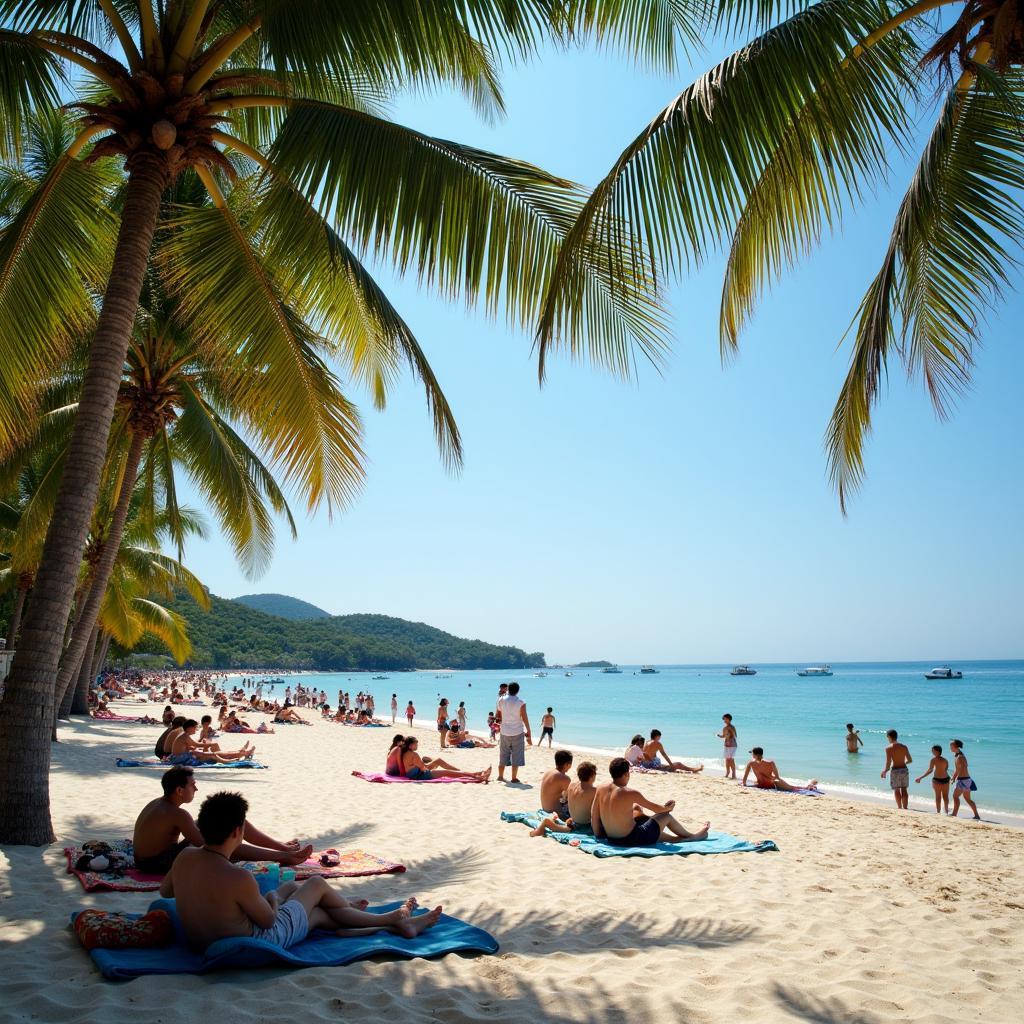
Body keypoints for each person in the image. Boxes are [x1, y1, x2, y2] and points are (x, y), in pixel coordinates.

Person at [160, 790, 441, 950]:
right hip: (256, 940)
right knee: (316, 883)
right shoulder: (237, 876)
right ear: (237, 832)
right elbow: (269, 921)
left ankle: (362, 921)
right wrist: (272, 898)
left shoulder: (185, 856)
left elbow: (166, 891)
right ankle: (391, 919)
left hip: (203, 940)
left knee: (310, 906)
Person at [133, 767, 311, 873]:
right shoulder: (177, 814)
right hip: (155, 864)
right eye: (192, 785)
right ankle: (284, 856)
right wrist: (227, 840)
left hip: (149, 860)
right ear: (179, 791)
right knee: (222, 840)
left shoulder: (159, 803)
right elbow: (210, 846)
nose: (196, 788)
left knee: (234, 820)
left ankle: (282, 848)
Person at [592, 757, 710, 847]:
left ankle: (682, 838)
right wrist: (667, 809)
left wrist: (599, 837)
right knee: (665, 816)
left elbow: (594, 815)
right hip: (631, 839)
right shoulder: (630, 793)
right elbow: (655, 809)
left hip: (612, 838)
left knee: (636, 808)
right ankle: (692, 837)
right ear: (626, 774)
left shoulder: (601, 788)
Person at [398, 736, 490, 782]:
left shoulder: (405, 752)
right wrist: (433, 767)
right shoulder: (414, 754)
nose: (417, 745)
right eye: (416, 744)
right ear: (410, 745)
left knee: (448, 772)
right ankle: (478, 777)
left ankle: (476, 773)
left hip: (414, 774)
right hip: (419, 775)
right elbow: (423, 768)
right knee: (447, 773)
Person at [168, 720, 255, 765]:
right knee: (213, 754)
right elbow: (197, 744)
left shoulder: (184, 735)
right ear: (189, 728)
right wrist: (210, 744)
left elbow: (187, 747)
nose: (196, 729)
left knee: (215, 753)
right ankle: (238, 755)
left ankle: (241, 752)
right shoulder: (185, 736)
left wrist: (194, 747)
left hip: (181, 756)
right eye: (195, 727)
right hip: (180, 758)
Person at [496, 682, 531, 783]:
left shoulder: (501, 700)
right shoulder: (521, 702)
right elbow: (524, 717)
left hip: (504, 731)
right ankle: (514, 777)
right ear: (518, 690)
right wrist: (528, 730)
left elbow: (499, 714)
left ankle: (500, 776)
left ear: (508, 689)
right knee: (516, 754)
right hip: (517, 731)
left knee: (503, 753)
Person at [741, 748, 818, 792]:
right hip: (773, 784)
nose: (751, 755)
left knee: (794, 787)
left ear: (756, 755)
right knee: (793, 788)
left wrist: (744, 784)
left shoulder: (750, 763)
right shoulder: (770, 762)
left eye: (752, 753)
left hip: (761, 784)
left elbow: (745, 777)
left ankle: (811, 784)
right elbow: (777, 777)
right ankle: (811, 784)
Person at [881, 729, 912, 810]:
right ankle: (905, 808)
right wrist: (903, 762)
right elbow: (910, 760)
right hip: (904, 769)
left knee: (897, 789)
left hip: (895, 770)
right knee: (904, 789)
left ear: (889, 737)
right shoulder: (904, 747)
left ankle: (899, 807)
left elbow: (888, 762)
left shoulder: (888, 748)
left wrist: (885, 771)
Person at [949, 739, 980, 820]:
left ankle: (954, 814)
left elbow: (960, 768)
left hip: (963, 780)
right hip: (966, 780)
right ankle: (976, 815)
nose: (950, 747)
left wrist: (954, 778)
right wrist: (953, 778)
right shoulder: (957, 756)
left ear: (955, 747)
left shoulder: (960, 757)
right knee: (968, 799)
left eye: (951, 746)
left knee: (955, 796)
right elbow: (958, 769)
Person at [915, 744, 951, 814]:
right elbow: (946, 769)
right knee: (945, 797)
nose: (932, 751)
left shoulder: (933, 760)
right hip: (945, 779)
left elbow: (930, 770)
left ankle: (939, 812)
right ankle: (945, 812)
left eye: (933, 750)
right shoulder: (945, 760)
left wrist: (920, 777)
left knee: (939, 797)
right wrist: (921, 777)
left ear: (937, 751)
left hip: (938, 780)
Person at [718, 714, 738, 779]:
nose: (724, 720)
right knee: (727, 759)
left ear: (729, 719)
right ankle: (727, 772)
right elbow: (723, 736)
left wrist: (731, 731)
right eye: (724, 719)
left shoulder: (732, 727)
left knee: (731, 760)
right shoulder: (724, 728)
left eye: (726, 719)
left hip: (732, 745)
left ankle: (734, 774)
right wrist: (719, 736)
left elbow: (735, 736)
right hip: (726, 745)